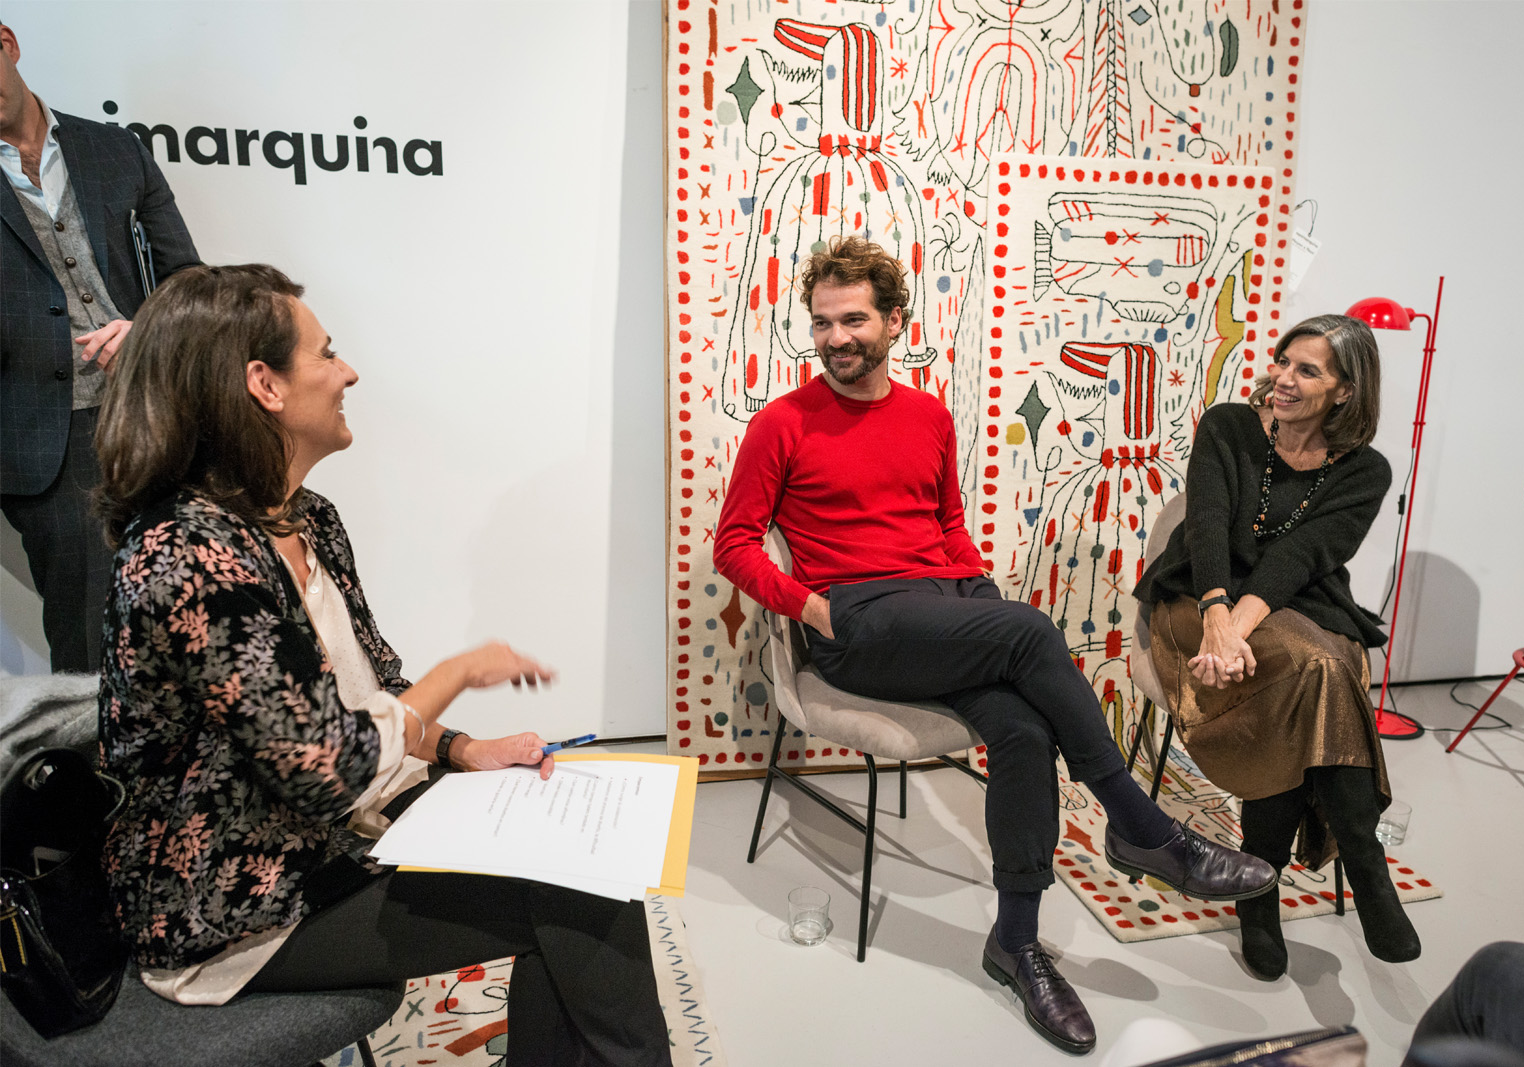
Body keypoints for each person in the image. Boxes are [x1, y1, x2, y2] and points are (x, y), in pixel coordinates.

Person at [94, 265, 671, 1066]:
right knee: (574, 899)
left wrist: (463, 748)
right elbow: (326, 766)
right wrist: (457, 672)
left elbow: (373, 695)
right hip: (235, 913)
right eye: (326, 353)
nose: (349, 373)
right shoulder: (185, 553)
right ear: (264, 384)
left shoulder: (308, 520)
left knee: (591, 871)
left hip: (335, 843)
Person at [713, 236, 1275, 1056]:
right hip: (857, 623)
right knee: (1031, 629)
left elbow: (945, 524)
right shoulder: (782, 423)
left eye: (853, 319)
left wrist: (973, 593)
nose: (835, 337)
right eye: (822, 322)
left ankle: (1015, 942)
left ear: (894, 320)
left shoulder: (928, 416)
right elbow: (734, 545)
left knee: (1022, 729)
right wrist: (814, 610)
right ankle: (1142, 827)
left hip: (943, 612)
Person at [1133, 313, 1417, 981]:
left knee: (1311, 668)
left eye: (1307, 370)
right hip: (1194, 597)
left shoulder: (1365, 470)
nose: (1283, 377)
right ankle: (1362, 859)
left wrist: (1237, 628)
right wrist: (1217, 618)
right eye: (1283, 360)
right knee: (1317, 669)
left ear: (1345, 391)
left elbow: (1302, 554)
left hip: (1296, 603)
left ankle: (1258, 885)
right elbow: (1206, 526)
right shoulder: (1228, 426)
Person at [0, 21, 201, 672]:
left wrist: (147, 331)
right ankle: (95, 747)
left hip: (156, 413)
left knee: (196, 613)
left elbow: (187, 279)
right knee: (92, 644)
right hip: (47, 444)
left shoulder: (114, 149)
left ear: (7, 43)